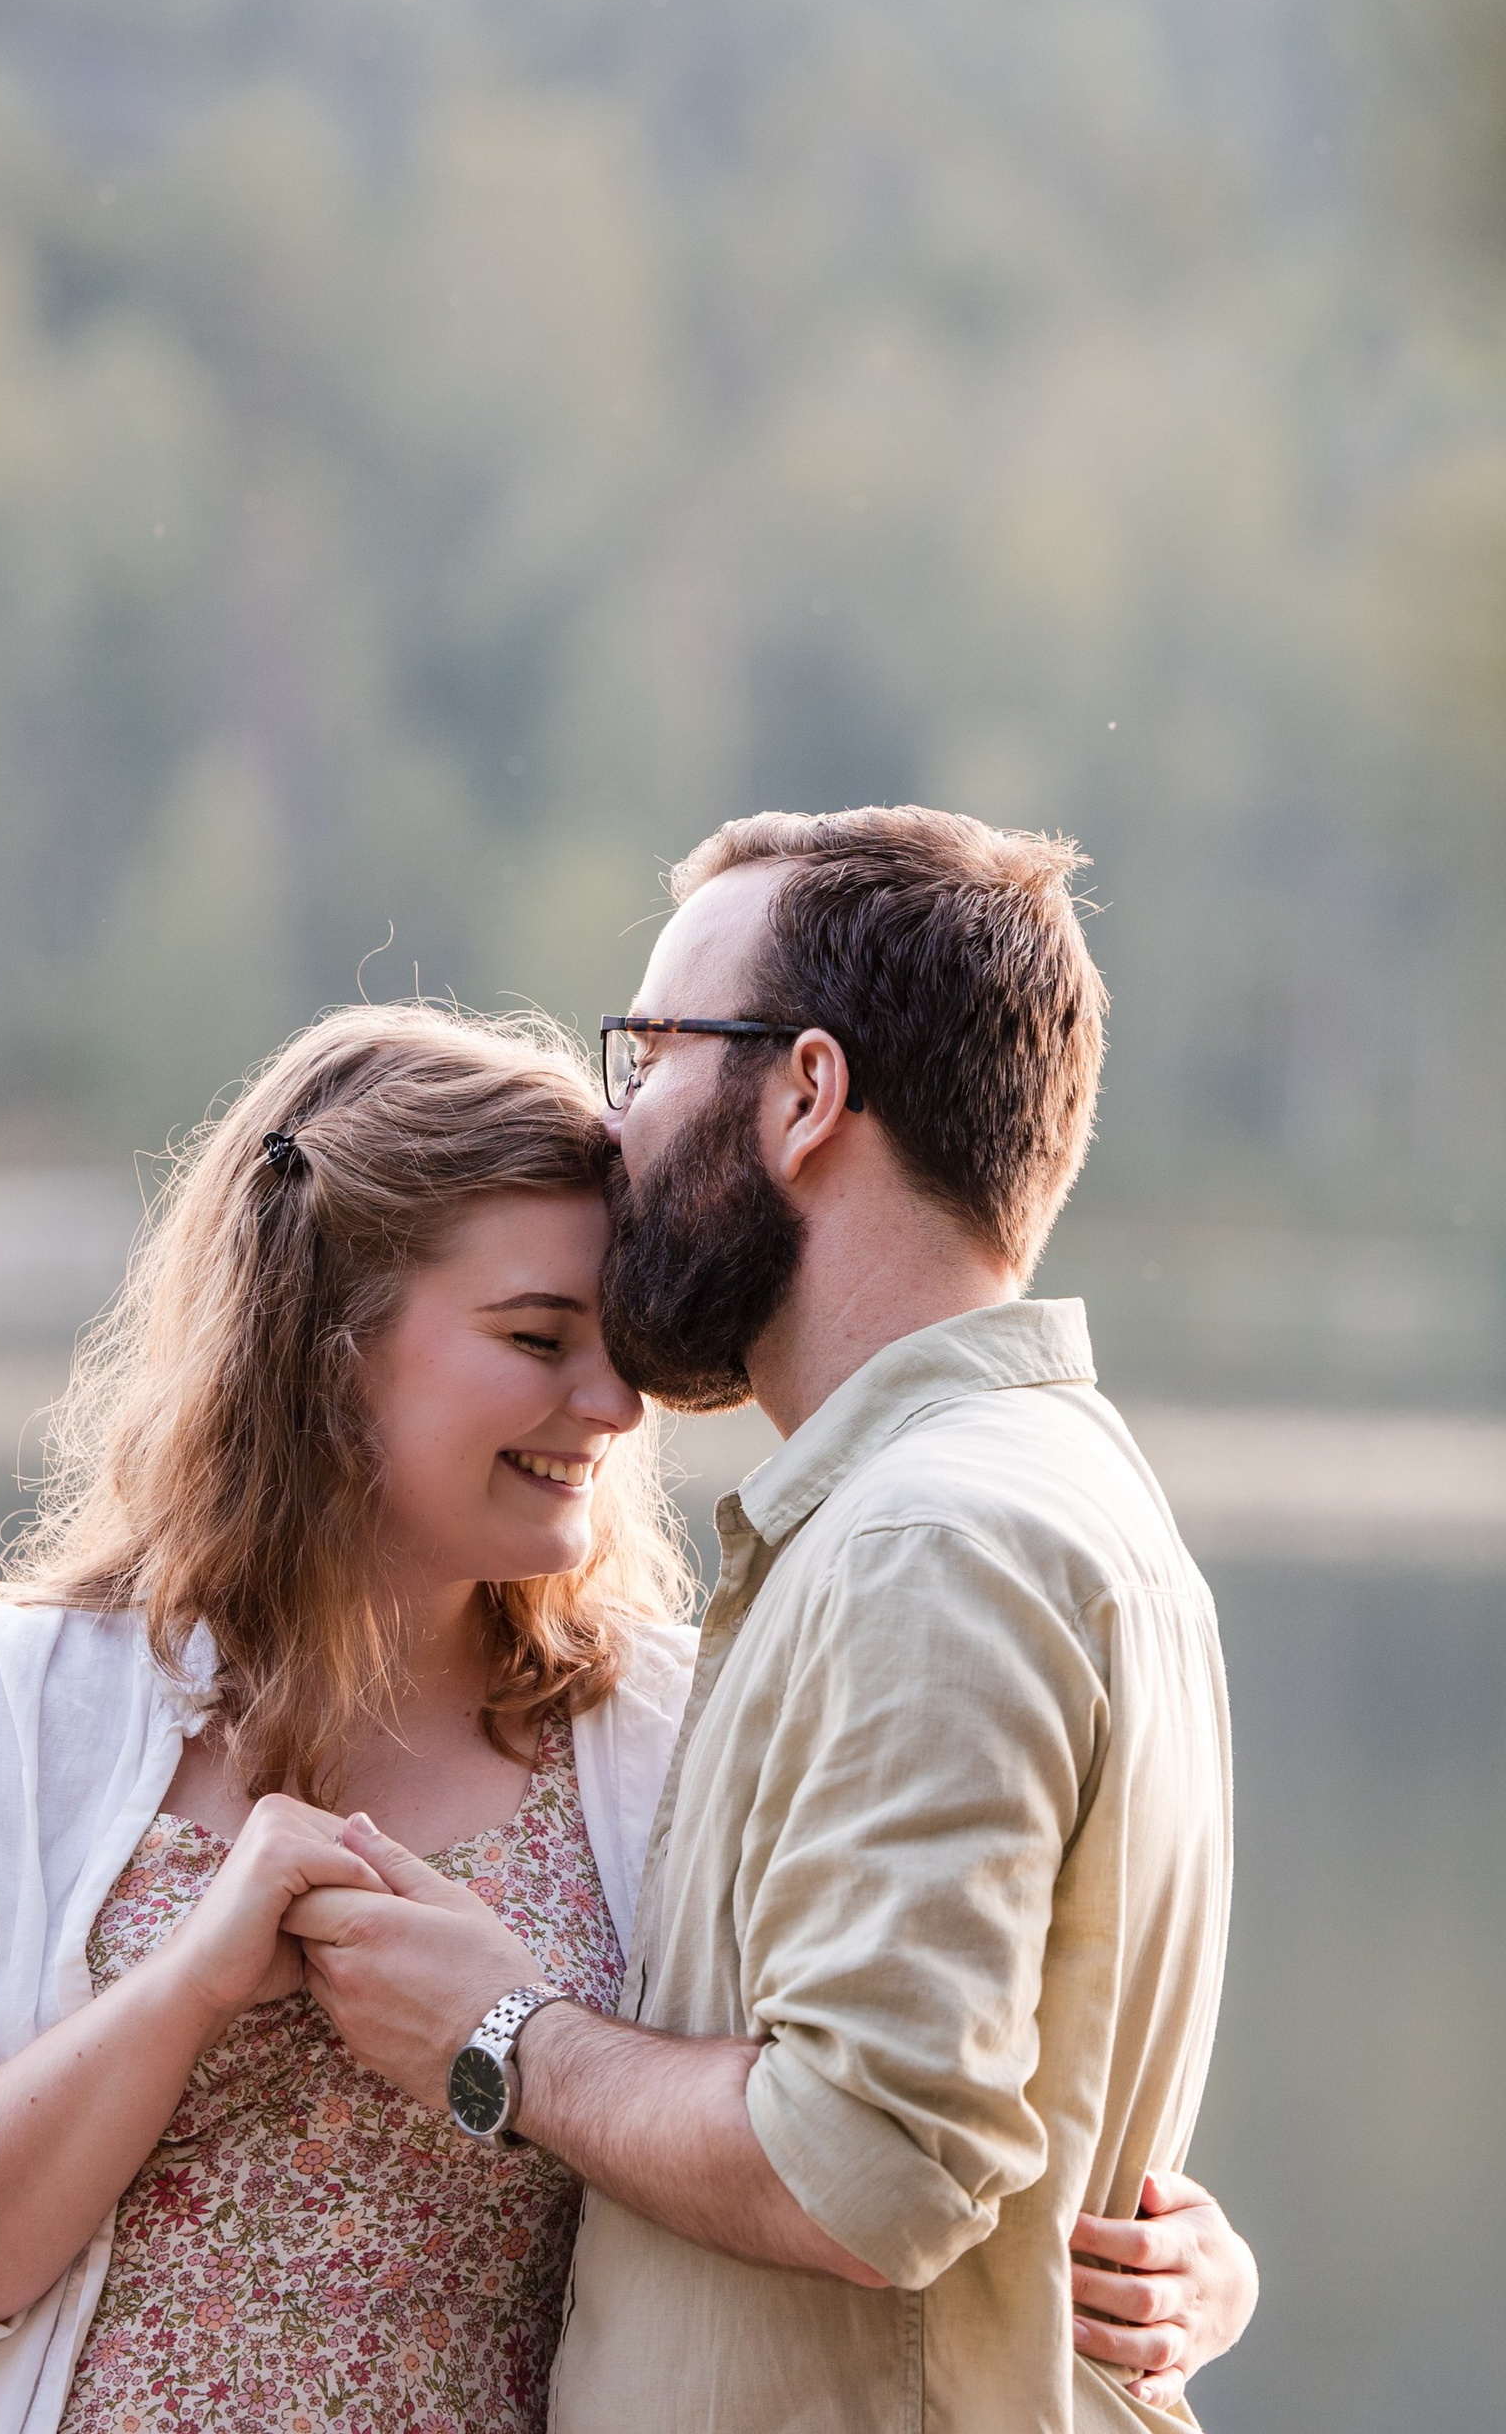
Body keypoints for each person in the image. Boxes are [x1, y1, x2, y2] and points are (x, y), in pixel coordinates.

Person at [0, 996, 1250, 2433]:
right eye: (537, 1338)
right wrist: (185, 1988)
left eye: (619, 1342)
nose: (612, 1407)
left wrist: (1189, 2268)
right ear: (320, 1346)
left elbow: (877, 2122)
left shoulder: (672, 1730)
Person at [281, 808, 1247, 2431]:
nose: (616, 1125)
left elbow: (868, 2164)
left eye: (649, 1053)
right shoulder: (1048, 1495)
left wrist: (500, 2034)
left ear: (805, 1094)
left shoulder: (929, 1542)